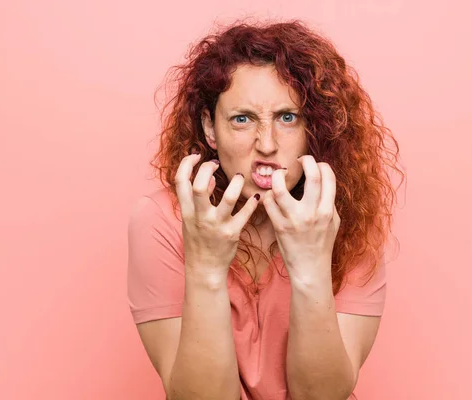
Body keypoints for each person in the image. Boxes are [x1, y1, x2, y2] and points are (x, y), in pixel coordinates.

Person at [127, 19, 402, 400]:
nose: (267, 145)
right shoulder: (160, 222)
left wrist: (310, 268)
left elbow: (322, 397)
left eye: (287, 118)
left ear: (313, 128)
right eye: (243, 119)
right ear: (210, 128)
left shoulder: (347, 217)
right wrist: (206, 268)